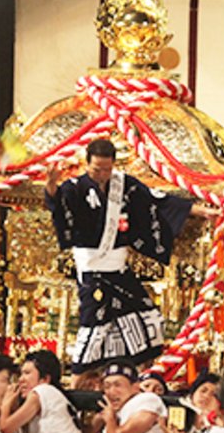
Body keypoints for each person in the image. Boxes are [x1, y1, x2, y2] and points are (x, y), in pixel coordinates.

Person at [44, 138, 214, 372]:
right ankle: (77, 377)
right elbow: (57, 203)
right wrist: (51, 185)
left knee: (149, 319)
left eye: (107, 169)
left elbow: (157, 199)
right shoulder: (74, 188)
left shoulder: (124, 184)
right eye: (96, 169)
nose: (102, 174)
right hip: (93, 272)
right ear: (86, 164)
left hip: (119, 269)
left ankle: (141, 376)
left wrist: (200, 210)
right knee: (94, 329)